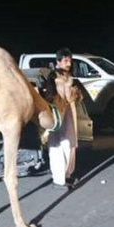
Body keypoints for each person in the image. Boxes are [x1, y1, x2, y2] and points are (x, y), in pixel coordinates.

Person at [47, 48, 83, 190]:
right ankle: (58, 179)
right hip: (58, 111)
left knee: (70, 143)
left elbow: (79, 95)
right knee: (57, 144)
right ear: (58, 61)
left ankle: (67, 174)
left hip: (70, 111)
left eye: (70, 60)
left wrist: (77, 93)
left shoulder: (72, 76)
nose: (68, 63)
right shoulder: (52, 76)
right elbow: (49, 95)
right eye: (65, 60)